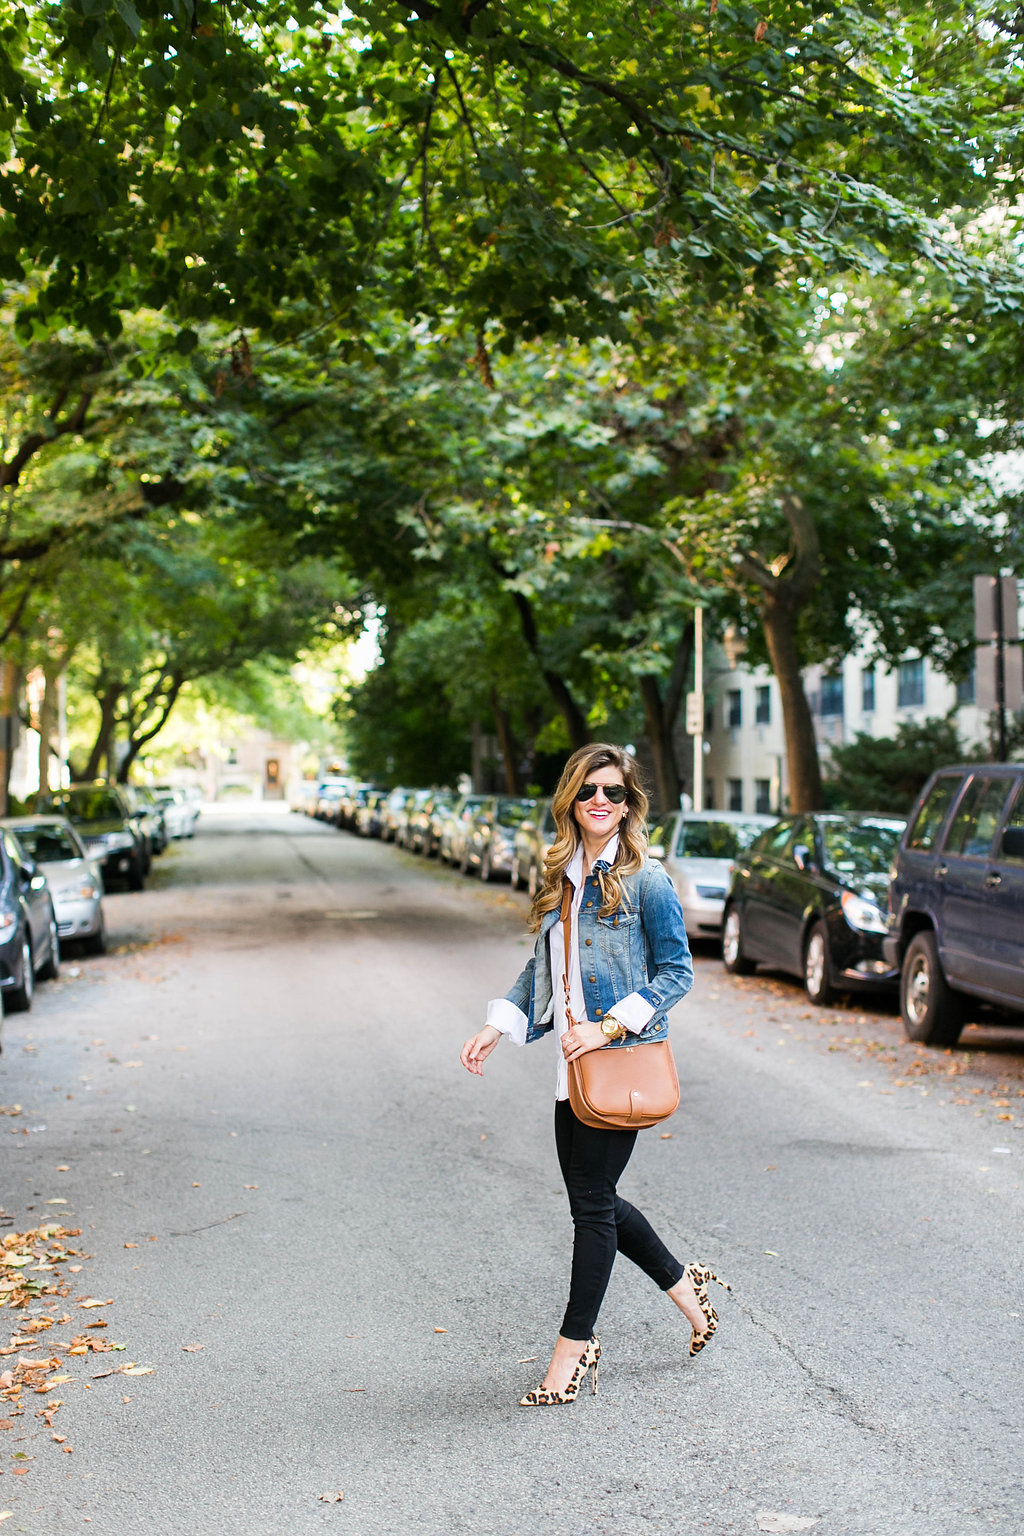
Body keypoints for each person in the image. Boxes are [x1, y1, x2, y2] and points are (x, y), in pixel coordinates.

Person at [460, 743, 730, 1407]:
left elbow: (677, 973)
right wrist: (499, 1024)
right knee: (597, 1199)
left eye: (613, 790)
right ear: (571, 802)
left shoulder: (647, 880)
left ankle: (571, 1355)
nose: (601, 800)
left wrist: (609, 1026)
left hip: (617, 1061)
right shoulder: (562, 872)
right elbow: (542, 965)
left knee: (590, 1207)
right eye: (588, 791)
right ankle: (687, 1290)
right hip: (572, 1068)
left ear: (628, 802)